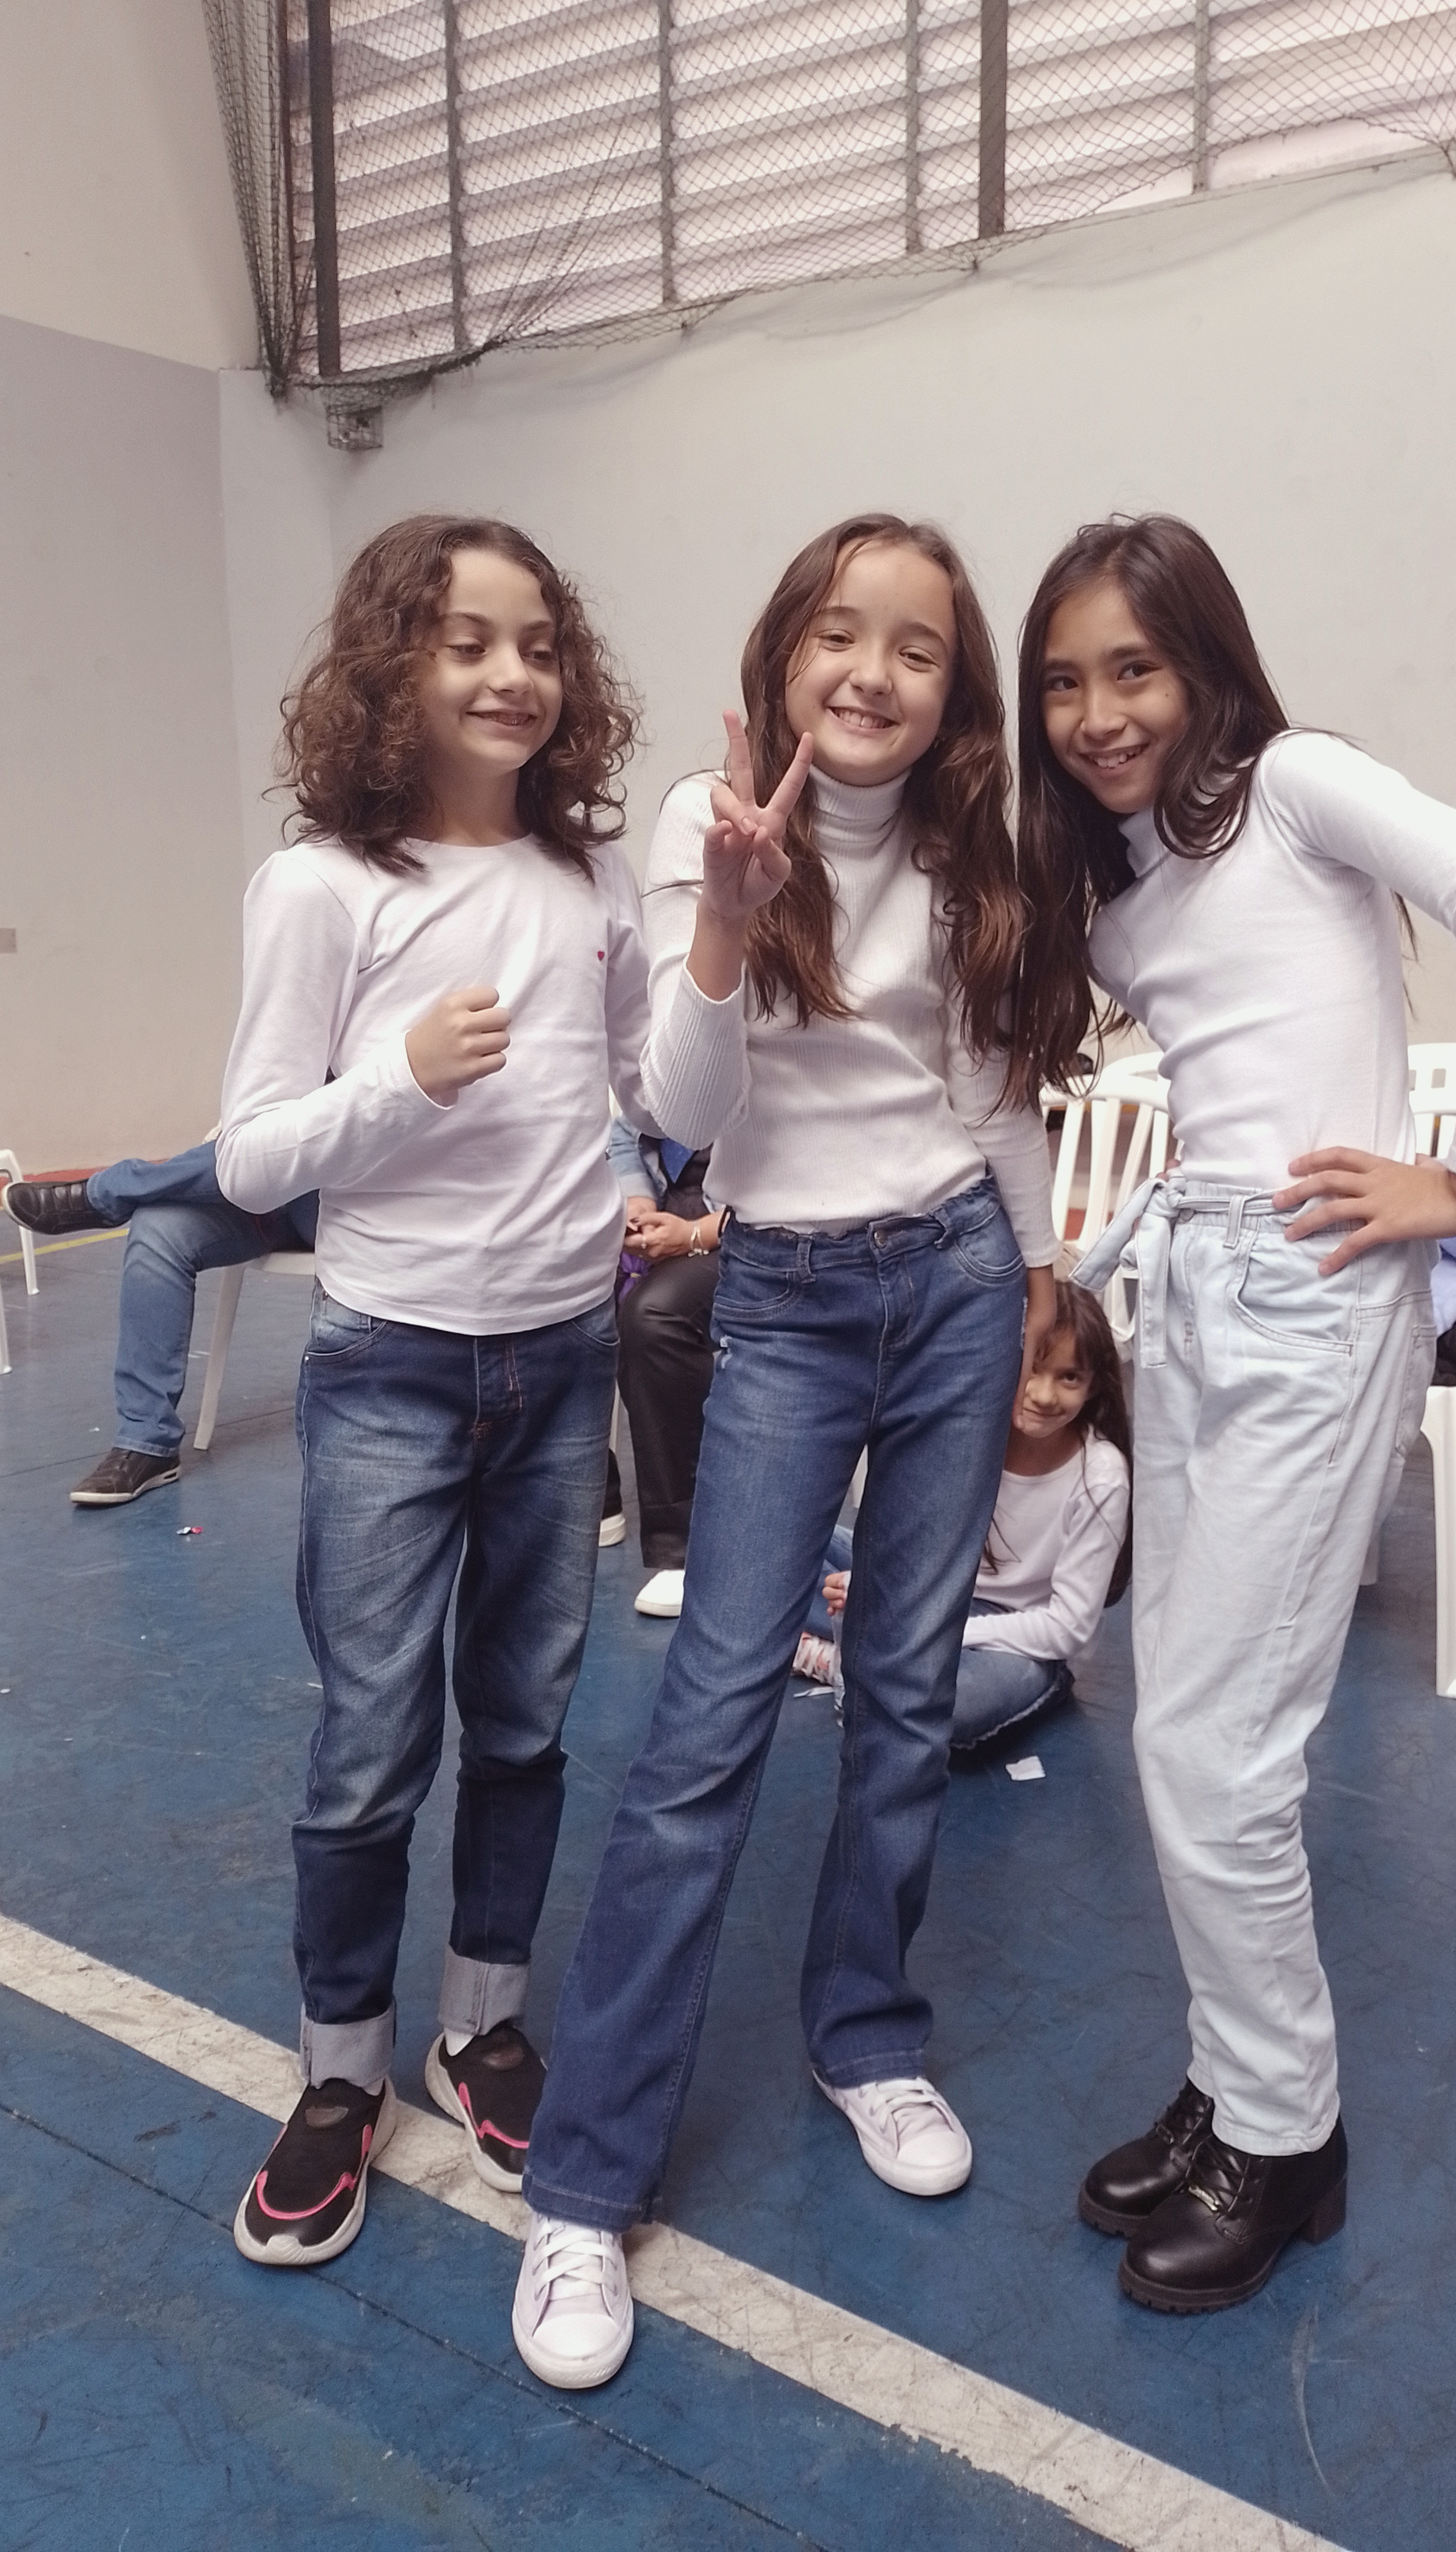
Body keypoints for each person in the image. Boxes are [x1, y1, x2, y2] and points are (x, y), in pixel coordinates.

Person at [511, 513, 1058, 2391]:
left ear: (953, 687)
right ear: (784, 650)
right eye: (841, 630)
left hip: (956, 1277)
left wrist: (1038, 1280)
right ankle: (584, 2184)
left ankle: (866, 2034)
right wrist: (731, 918)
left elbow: (991, 1095)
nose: (872, 671)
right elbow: (679, 1113)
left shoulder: (970, 840)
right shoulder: (711, 817)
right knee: (711, 1719)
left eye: (916, 645)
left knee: (904, 1687)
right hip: (792, 1298)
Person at [1010, 516, 1456, 2314]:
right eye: (1064, 682)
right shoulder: (1114, 875)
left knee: (1217, 1748)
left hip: (1313, 1295)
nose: (1100, 712)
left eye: (1134, 668)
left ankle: (1284, 2138)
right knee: (1186, 1724)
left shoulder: (1295, 784)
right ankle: (1235, 2080)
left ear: (1205, 665)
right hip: (1193, 1282)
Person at [213, 513, 649, 2268]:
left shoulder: (590, 878)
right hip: (391, 1359)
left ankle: (482, 2025)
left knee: (527, 1722)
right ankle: (340, 2070)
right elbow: (252, 1158)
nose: (511, 674)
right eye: (468, 641)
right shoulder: (326, 885)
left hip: (562, 1357)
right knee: (370, 1742)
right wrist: (398, 1074)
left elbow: (649, 1079)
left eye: (538, 642)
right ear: (393, 663)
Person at [797, 1277, 1131, 1755]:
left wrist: (928, 1628)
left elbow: (1067, 1629)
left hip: (1022, 1641)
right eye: (1032, 1367)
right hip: (936, 1596)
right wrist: (875, 1584)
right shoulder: (971, 1430)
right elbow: (916, 1546)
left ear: (1095, 1384)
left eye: (1069, 1377)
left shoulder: (1101, 1476)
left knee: (952, 1707)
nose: (1043, 1394)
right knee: (780, 1544)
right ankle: (873, 1656)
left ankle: (836, 1659)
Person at [4, 1148, 316, 1505]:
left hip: (339, 1208)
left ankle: (102, 1193)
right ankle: (146, 1441)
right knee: (157, 1228)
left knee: (277, 1144)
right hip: (270, 1199)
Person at [605, 1114, 723, 1617]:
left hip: (752, 1236)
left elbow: (791, 1182)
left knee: (653, 1317)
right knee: (560, 1285)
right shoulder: (661, 1073)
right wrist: (637, 1204)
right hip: (671, 1226)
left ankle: (688, 1547)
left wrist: (695, 1234)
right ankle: (596, 1493)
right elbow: (625, 1132)